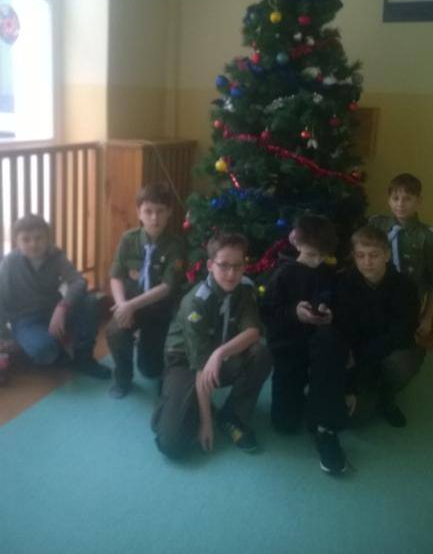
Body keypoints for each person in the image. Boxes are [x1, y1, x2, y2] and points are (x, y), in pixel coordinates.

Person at [152, 233, 271, 459]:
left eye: (237, 266)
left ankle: (232, 416)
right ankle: (171, 399)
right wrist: (206, 423)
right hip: (186, 363)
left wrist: (220, 353)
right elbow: (201, 368)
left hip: (218, 356)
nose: (231, 274)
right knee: (172, 444)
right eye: (223, 265)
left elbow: (253, 331)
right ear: (210, 265)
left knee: (261, 353)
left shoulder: (244, 289)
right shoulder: (196, 302)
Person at [263, 214, 348, 475]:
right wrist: (294, 313)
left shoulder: (327, 273)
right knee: (285, 425)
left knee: (329, 342)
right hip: (288, 350)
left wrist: (328, 313)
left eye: (321, 256)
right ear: (296, 243)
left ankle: (324, 426)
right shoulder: (282, 274)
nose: (315, 261)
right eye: (311, 254)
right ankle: (304, 397)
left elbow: (333, 302)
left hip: (318, 348)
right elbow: (269, 315)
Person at [0, 214, 110, 379]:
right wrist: (2, 333)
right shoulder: (9, 263)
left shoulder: (56, 255)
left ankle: (83, 358)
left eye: (39, 238)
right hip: (25, 319)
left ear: (48, 239)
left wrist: (62, 307)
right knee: (44, 351)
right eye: (26, 239)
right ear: (17, 242)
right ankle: (60, 352)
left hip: (53, 311)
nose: (33, 244)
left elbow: (78, 281)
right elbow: (1, 297)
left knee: (90, 302)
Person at [336, 225, 424, 428]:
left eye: (374, 255)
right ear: (354, 257)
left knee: (402, 364)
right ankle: (369, 388)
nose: (367, 262)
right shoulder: (343, 283)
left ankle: (387, 396)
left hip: (390, 348)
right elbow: (344, 329)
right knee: (356, 418)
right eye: (361, 255)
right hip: (358, 352)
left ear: (387, 255)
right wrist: (351, 379)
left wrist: (367, 357)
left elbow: (403, 330)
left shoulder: (405, 285)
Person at [106, 182, 184, 399]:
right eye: (148, 211)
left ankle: (159, 368)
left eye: (160, 211)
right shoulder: (128, 239)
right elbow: (116, 276)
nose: (154, 217)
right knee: (115, 331)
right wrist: (122, 305)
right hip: (131, 304)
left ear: (169, 212)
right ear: (138, 213)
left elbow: (167, 287)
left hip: (160, 310)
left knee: (150, 370)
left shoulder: (175, 245)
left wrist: (130, 306)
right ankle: (123, 378)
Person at [370, 173, 433, 340]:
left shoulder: (427, 236)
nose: (400, 204)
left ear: (418, 201)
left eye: (407, 199)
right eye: (395, 198)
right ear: (389, 200)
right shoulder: (376, 226)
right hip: (375, 298)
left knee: (402, 345)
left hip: (409, 304)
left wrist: (428, 318)